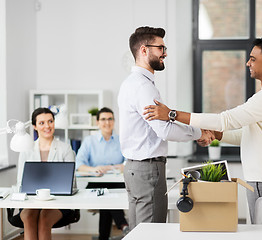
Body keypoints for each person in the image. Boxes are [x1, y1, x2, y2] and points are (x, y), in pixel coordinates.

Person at [143, 37, 262, 223]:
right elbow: (246, 135)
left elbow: (225, 120)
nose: (248, 63)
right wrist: (215, 134)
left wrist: (172, 114)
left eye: (253, 59)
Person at [118, 26, 213, 230]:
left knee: (137, 231)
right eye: (161, 48)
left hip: (134, 168)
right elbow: (165, 130)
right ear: (144, 50)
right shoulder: (144, 87)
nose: (165, 53)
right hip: (147, 170)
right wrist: (198, 133)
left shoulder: (130, 83)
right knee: (151, 232)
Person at [16, 107, 76, 240]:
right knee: (29, 217)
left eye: (50, 121)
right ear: (35, 126)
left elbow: (71, 183)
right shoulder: (26, 149)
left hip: (58, 203)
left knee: (44, 218)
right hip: (31, 201)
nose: (47, 126)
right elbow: (21, 182)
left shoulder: (65, 148)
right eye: (42, 123)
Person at [76, 107, 129, 239]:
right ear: (97, 122)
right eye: (103, 119)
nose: (107, 122)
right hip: (95, 184)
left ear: (114, 121)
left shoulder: (121, 140)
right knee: (108, 194)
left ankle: (104, 237)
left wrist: (116, 166)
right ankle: (123, 225)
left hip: (117, 184)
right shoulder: (89, 141)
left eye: (110, 119)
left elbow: (128, 163)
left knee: (107, 197)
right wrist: (93, 169)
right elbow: (79, 164)